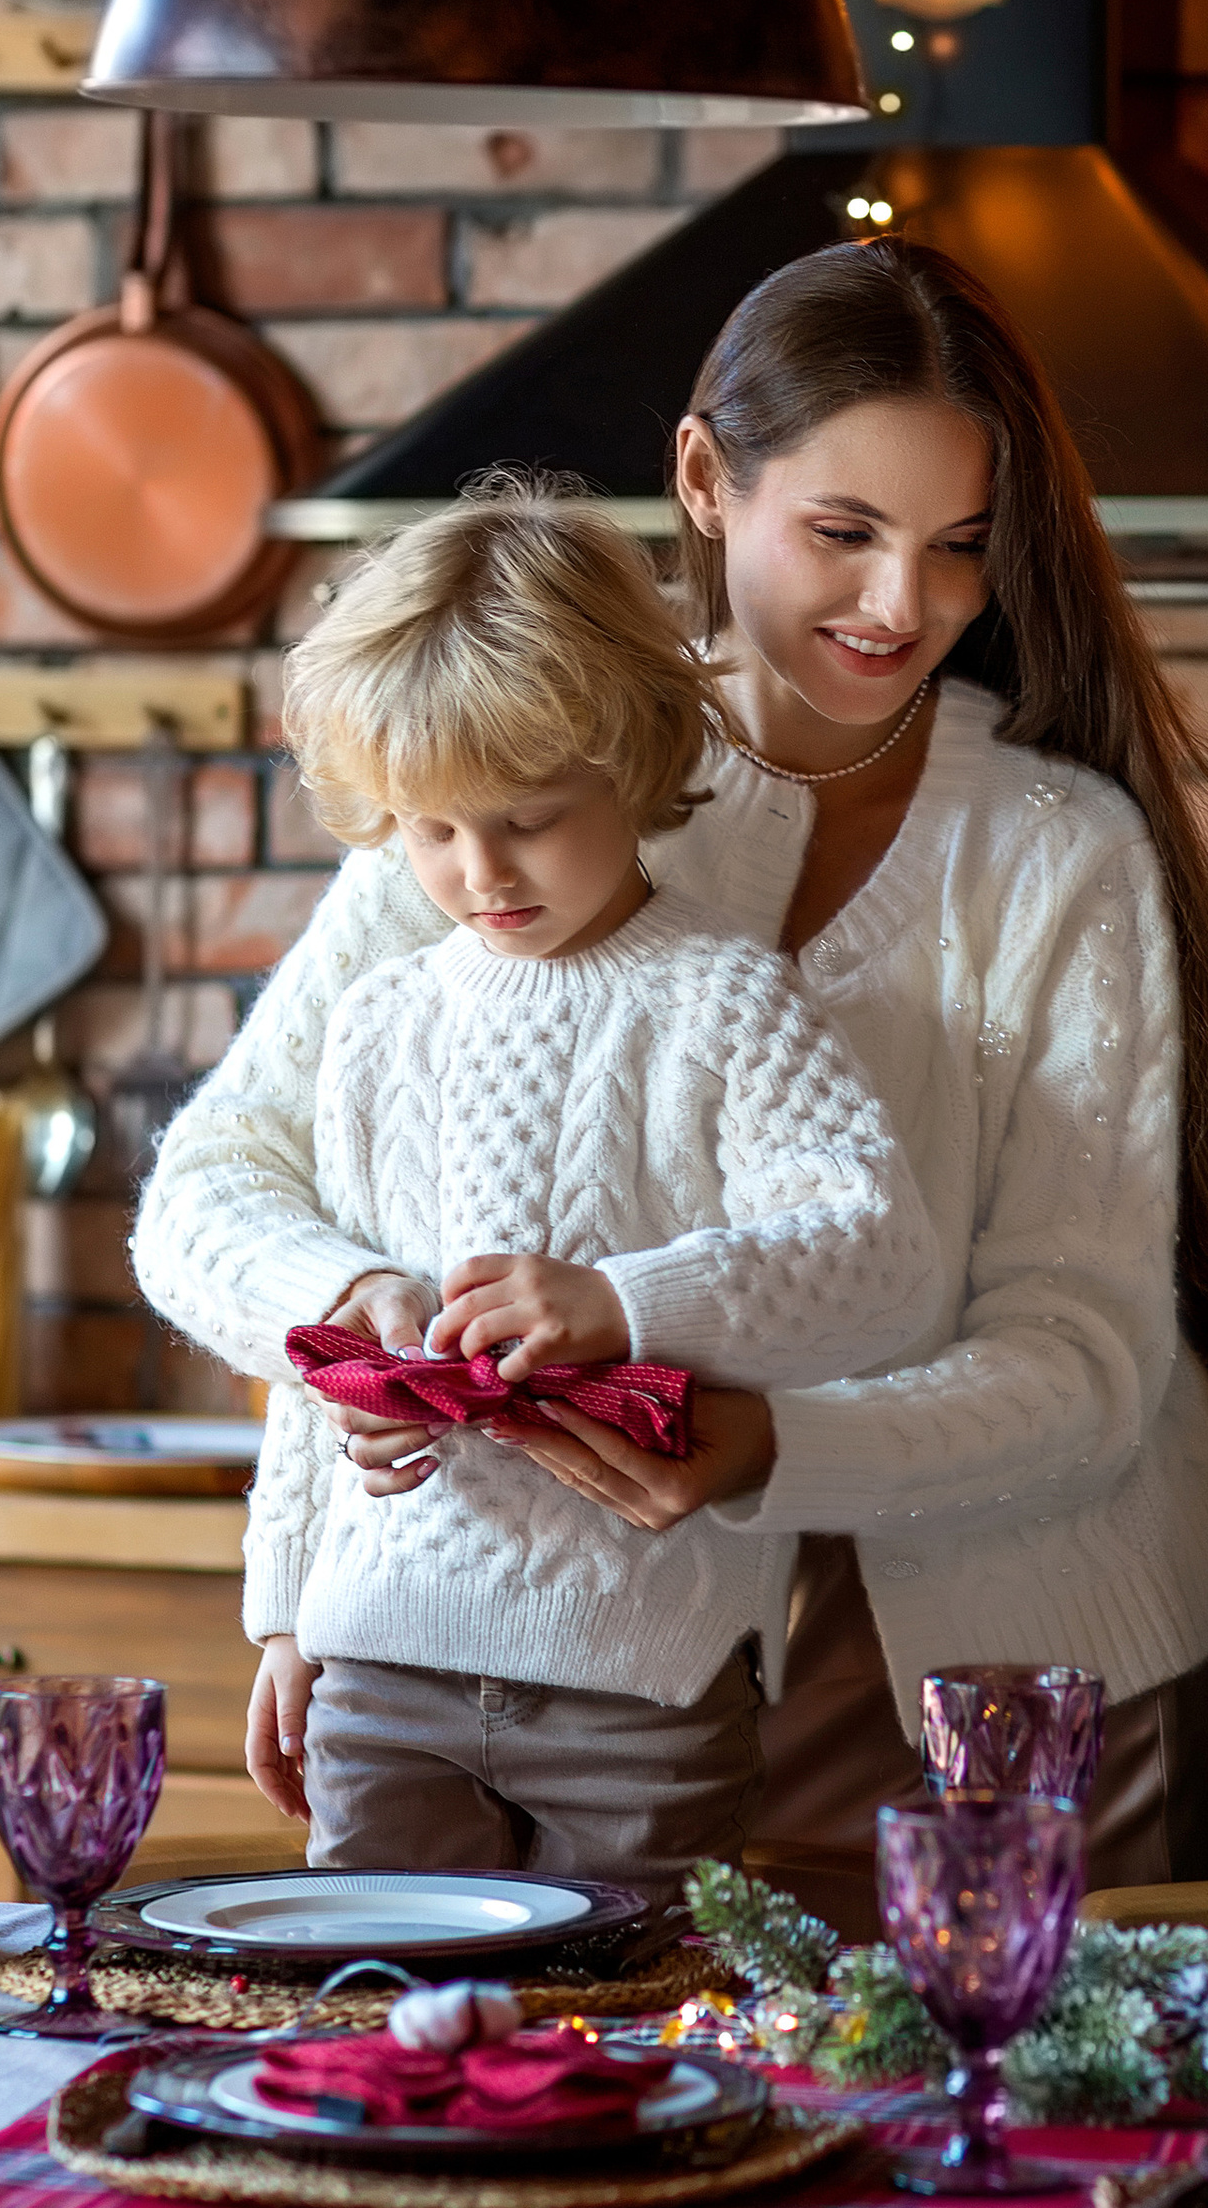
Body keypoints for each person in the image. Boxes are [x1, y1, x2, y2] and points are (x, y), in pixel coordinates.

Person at [136, 241, 1208, 1884]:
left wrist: (768, 1447)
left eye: (961, 549)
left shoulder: (1056, 851)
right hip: (571, 1663)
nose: (907, 606)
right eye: (842, 533)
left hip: (1019, 1693)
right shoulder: (517, 762)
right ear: (700, 479)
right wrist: (343, 1531)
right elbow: (226, 1189)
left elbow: (1083, 1358)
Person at [240, 488, 941, 1885]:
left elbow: (879, 1259)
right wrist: (281, 1611)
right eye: (429, 830)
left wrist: (626, 1304)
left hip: (648, 1678)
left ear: (633, 759)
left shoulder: (728, 1003)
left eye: (527, 819)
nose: (478, 871)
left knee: (628, 2053)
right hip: (380, 1665)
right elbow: (322, 1362)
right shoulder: (379, 1022)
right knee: (373, 2043)